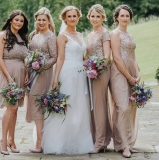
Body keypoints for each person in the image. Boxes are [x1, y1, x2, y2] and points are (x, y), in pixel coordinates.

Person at [41, 6, 94, 154]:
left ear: (78, 17)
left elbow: (83, 56)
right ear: (64, 18)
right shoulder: (62, 36)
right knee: (68, 106)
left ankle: (78, 142)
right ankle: (58, 143)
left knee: (79, 107)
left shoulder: (80, 34)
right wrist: (55, 79)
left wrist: (90, 65)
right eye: (69, 16)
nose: (72, 18)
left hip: (81, 74)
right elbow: (60, 58)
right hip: (67, 72)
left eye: (74, 16)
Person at [0, 10, 29, 155]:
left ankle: (11, 140)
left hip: (20, 75)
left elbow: (25, 58)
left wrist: (26, 73)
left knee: (15, 109)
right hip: (7, 74)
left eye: (21, 21)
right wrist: (8, 77)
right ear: (10, 21)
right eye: (16, 20)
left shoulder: (22, 37)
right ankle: (2, 140)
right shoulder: (3, 35)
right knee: (11, 108)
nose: (19, 22)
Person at [24, 7, 57, 153]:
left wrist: (41, 66)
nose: (41, 22)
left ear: (49, 21)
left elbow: (54, 57)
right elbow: (29, 53)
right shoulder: (33, 35)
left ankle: (39, 144)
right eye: (39, 20)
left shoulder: (51, 36)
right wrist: (30, 66)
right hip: (32, 74)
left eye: (44, 20)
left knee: (37, 104)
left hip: (44, 74)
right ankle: (40, 141)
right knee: (34, 103)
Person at [109, 5, 140, 158]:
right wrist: (128, 77)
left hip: (132, 72)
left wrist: (137, 73)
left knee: (132, 106)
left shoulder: (130, 35)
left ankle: (127, 141)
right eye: (122, 15)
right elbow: (116, 57)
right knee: (122, 106)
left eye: (127, 15)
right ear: (116, 18)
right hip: (118, 73)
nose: (125, 18)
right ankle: (124, 146)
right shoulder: (114, 34)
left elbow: (133, 57)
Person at [86, 4, 112, 153]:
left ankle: (100, 142)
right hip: (91, 72)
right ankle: (95, 138)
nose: (95, 19)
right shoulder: (90, 35)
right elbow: (88, 55)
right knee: (93, 107)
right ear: (89, 17)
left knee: (99, 105)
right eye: (93, 16)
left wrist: (97, 67)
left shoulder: (104, 33)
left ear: (102, 17)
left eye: (98, 16)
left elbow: (107, 57)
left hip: (101, 72)